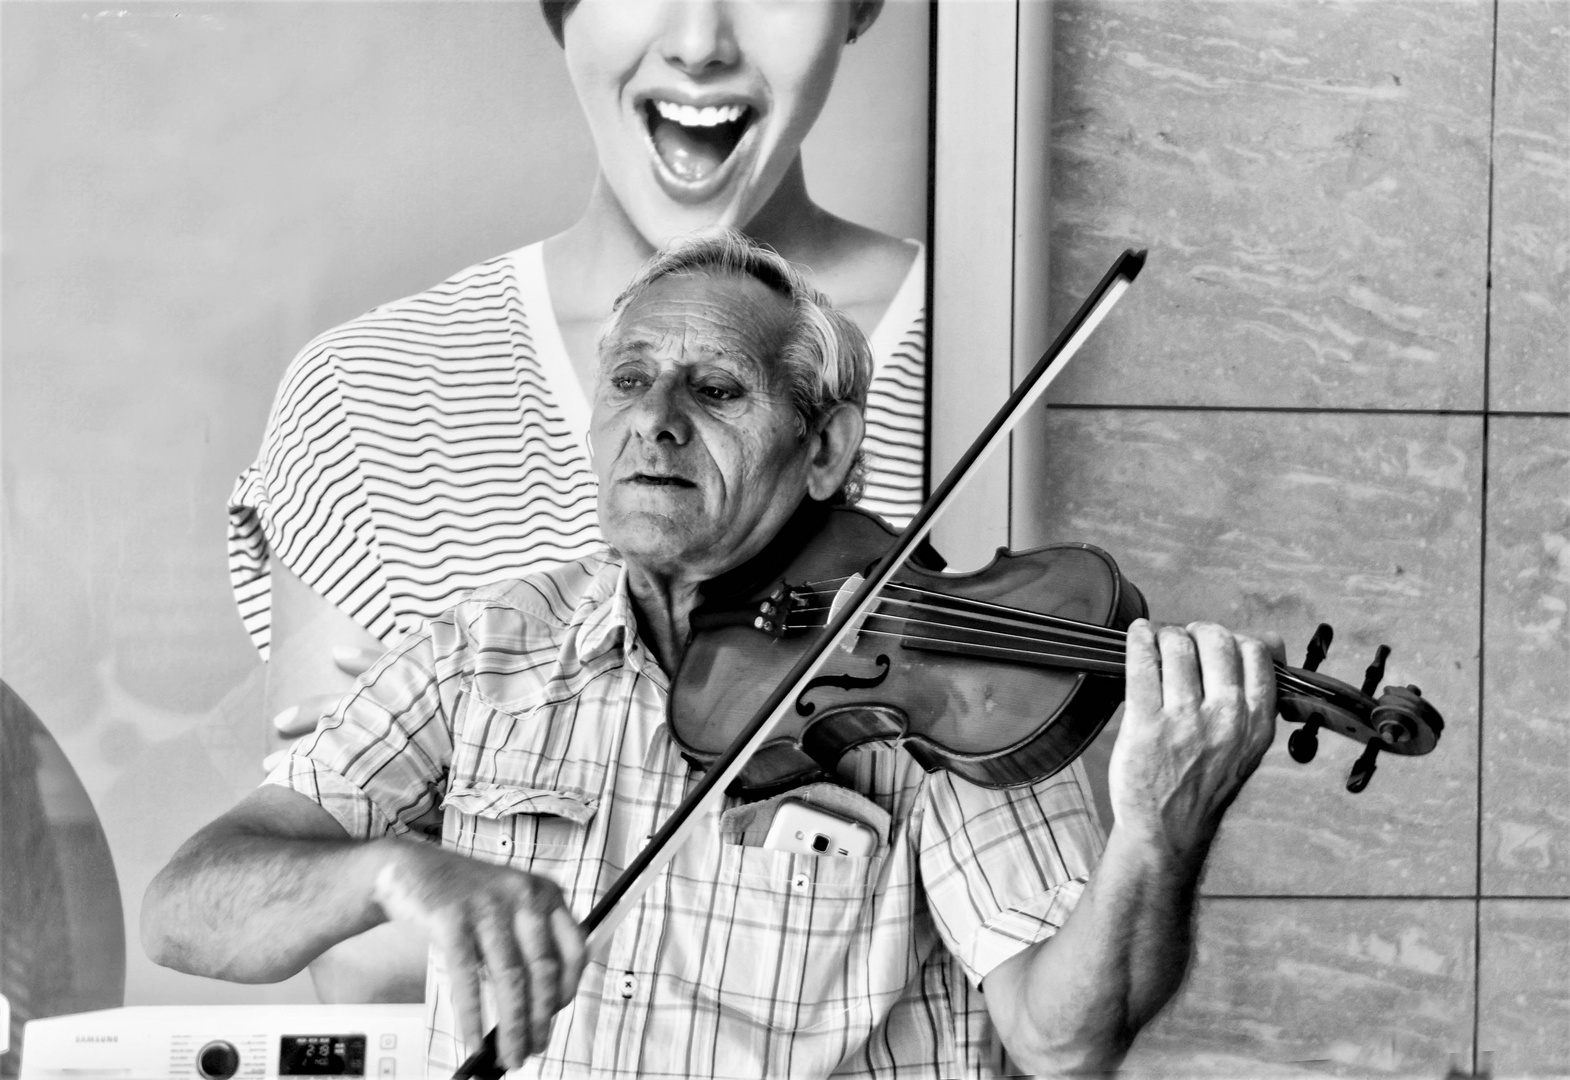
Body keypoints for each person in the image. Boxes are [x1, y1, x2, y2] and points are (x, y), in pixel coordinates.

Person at [147, 232, 1281, 1078]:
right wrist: (391, 870)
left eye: (717, 388)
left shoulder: (932, 681)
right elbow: (190, 915)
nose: (656, 420)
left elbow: (1063, 1037)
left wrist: (1157, 831)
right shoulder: (489, 650)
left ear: (826, 446)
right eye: (630, 379)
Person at [228, 0, 925, 999]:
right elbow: (354, 962)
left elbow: (1028, 934)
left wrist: (484, 783)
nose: (699, 42)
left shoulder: (997, 347)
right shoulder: (369, 395)